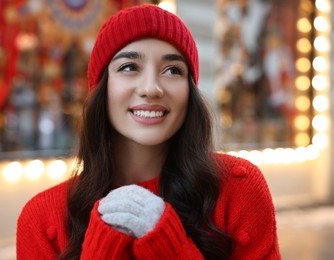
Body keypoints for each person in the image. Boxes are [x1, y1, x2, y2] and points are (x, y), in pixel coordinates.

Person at [16, 4, 280, 259]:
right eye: (129, 67)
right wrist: (103, 247)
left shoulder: (238, 189)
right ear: (102, 89)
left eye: (173, 70)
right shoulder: (41, 220)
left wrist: (169, 246)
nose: (151, 87)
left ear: (190, 92)